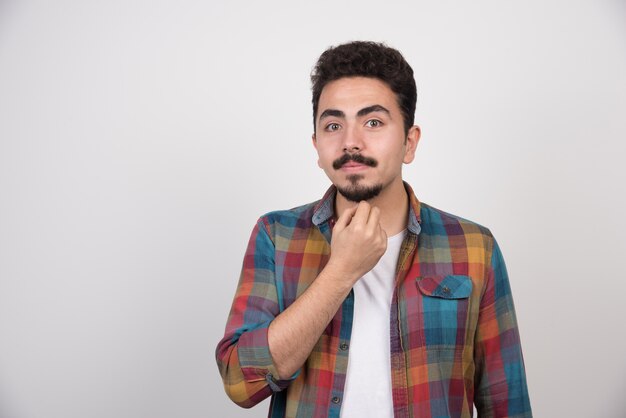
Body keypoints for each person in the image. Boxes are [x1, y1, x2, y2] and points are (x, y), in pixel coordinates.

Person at [216, 41, 531, 418]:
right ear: (316, 146)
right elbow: (240, 382)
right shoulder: (276, 236)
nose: (351, 141)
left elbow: (506, 402)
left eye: (373, 122)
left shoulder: (474, 247)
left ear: (409, 143)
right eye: (333, 125)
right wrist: (341, 271)